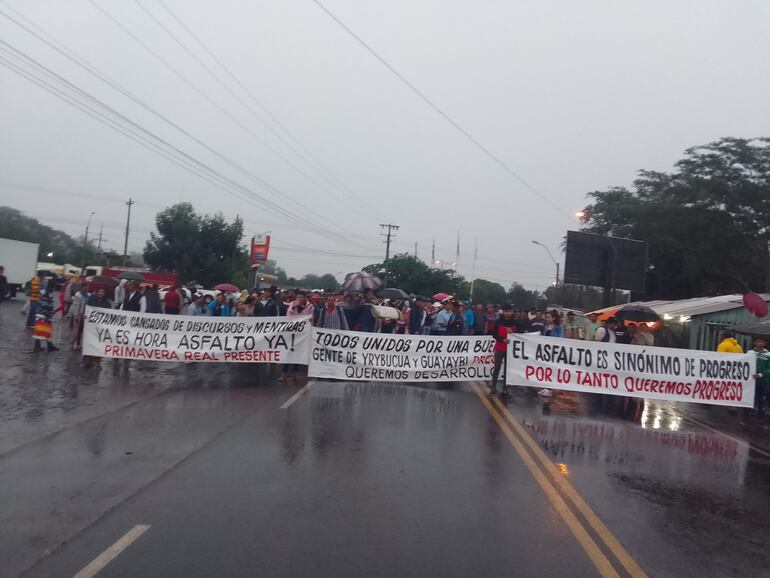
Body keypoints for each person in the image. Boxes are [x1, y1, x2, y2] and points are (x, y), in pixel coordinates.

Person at [280, 291, 315, 382]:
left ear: (305, 298)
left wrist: (311, 330)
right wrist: (294, 307)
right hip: (291, 332)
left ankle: (295, 374)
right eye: (298, 297)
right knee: (288, 352)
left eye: (301, 297)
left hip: (302, 333)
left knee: (298, 353)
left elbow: (311, 319)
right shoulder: (292, 304)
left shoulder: (310, 306)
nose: (299, 299)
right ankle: (284, 374)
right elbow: (288, 315)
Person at [490, 304, 517, 396]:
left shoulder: (515, 322)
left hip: (510, 349)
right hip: (499, 348)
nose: (507, 313)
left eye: (509, 311)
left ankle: (505, 389)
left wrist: (513, 331)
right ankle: (493, 388)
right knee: (497, 367)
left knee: (507, 369)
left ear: (512, 312)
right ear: (503, 312)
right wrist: (502, 339)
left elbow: (522, 333)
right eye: (506, 311)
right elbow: (494, 334)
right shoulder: (498, 322)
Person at [743, 336, 770, 426]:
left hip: (762, 380)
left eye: (762, 342)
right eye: (758, 341)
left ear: (765, 343)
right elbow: (744, 364)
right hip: (750, 380)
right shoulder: (750, 353)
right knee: (748, 398)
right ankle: (745, 418)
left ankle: (760, 418)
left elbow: (769, 368)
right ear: (755, 343)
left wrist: (760, 374)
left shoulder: (768, 354)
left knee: (761, 399)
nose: (760, 343)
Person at [83, 287, 112, 367]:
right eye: (99, 291)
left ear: (105, 293)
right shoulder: (92, 299)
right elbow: (87, 309)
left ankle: (98, 362)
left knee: (99, 344)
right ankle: (87, 361)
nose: (101, 293)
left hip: (100, 327)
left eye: (102, 292)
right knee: (89, 343)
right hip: (91, 325)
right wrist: (85, 315)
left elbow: (108, 314)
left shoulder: (107, 303)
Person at [538, 310, 563, 397]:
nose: (547, 319)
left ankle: (550, 389)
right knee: (546, 370)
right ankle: (546, 387)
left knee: (552, 370)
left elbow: (561, 338)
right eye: (546, 317)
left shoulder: (558, 327)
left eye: (548, 317)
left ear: (554, 318)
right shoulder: (546, 326)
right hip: (546, 352)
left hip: (554, 352)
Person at [32, 280, 58, 352]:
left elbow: (41, 303)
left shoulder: (43, 291)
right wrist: (49, 314)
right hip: (45, 315)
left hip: (40, 313)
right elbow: (47, 305)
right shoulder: (49, 294)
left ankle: (38, 346)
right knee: (47, 331)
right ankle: (48, 346)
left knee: (39, 330)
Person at [69, 285, 90, 351]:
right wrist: (76, 315)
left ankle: (78, 344)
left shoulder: (89, 295)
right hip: (78, 314)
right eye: (85, 287)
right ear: (82, 288)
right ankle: (73, 344)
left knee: (81, 331)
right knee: (76, 330)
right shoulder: (78, 295)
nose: (86, 288)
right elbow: (75, 306)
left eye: (87, 287)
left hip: (85, 315)